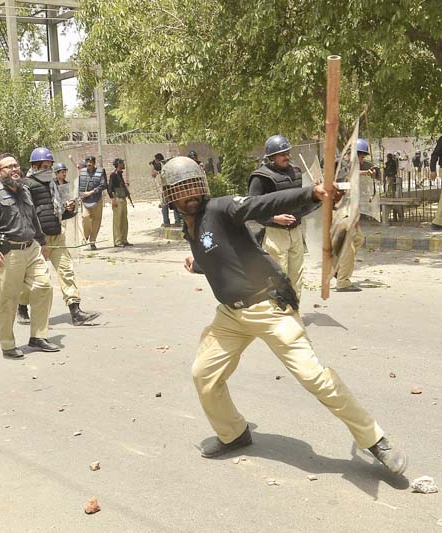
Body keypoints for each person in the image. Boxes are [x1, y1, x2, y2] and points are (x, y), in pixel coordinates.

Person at [164, 156, 407, 474]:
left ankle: (376, 440)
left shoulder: (221, 208)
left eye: (193, 187)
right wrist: (198, 265)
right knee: (203, 375)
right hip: (230, 316)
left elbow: (261, 204)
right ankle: (234, 433)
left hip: (267, 306)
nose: (190, 195)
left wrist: (310, 194)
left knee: (313, 377)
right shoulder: (189, 223)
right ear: (170, 197)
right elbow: (219, 255)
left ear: (202, 186)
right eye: (182, 191)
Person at [0, 153, 59, 359]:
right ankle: (7, 344)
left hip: (32, 248)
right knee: (7, 299)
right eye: (8, 167)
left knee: (44, 287)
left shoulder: (24, 190)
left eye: (16, 165)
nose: (14, 169)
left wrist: (43, 242)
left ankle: (38, 336)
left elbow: (33, 219)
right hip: (8, 252)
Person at [16, 148, 100, 327]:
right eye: (45, 166)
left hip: (57, 235)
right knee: (31, 277)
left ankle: (75, 311)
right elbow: (25, 214)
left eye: (50, 166)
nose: (49, 170)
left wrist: (68, 209)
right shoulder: (26, 185)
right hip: (38, 239)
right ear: (35, 166)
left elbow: (60, 212)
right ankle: (22, 306)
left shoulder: (54, 184)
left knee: (66, 271)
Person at [247, 135, 315, 298]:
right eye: (282, 154)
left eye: (288, 153)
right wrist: (274, 219)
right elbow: (252, 208)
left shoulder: (296, 172)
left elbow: (302, 200)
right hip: (275, 233)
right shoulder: (260, 178)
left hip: (296, 232)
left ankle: (293, 310)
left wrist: (315, 193)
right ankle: (278, 314)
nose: (287, 157)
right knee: (278, 276)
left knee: (296, 275)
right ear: (271, 157)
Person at [335, 138, 371, 292]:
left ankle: (338, 267)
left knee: (358, 239)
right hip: (340, 210)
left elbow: (354, 174)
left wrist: (365, 173)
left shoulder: (350, 166)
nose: (362, 160)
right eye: (361, 157)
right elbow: (337, 184)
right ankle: (343, 281)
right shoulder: (339, 166)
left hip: (350, 209)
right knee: (347, 246)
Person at [78, 155, 107, 250]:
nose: (89, 164)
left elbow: (103, 185)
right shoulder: (82, 173)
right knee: (85, 217)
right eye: (88, 162)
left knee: (96, 221)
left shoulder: (101, 172)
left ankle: (92, 241)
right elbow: (79, 186)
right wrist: (80, 195)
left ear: (94, 163)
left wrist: (91, 192)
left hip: (97, 199)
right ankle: (86, 235)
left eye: (91, 162)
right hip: (85, 201)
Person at [108, 158, 133, 247]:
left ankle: (124, 239)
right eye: (122, 163)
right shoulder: (113, 175)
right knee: (117, 221)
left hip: (122, 198)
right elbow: (110, 188)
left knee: (124, 221)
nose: (123, 164)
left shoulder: (119, 174)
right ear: (118, 164)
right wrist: (113, 199)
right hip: (117, 199)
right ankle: (118, 241)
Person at [151, 153, 180, 227]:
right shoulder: (168, 164)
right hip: (173, 186)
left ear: (157, 160)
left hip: (166, 187)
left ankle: (166, 222)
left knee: (164, 205)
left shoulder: (159, 165)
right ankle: (177, 221)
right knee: (174, 203)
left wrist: (153, 166)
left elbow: (153, 174)